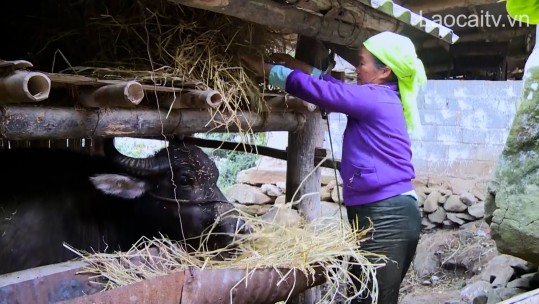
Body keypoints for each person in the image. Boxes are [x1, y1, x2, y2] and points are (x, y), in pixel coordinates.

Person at [239, 31, 424, 304]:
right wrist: (294, 64)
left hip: (388, 216)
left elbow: (325, 92)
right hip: (383, 212)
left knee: (370, 298)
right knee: (365, 294)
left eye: (361, 63)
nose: (356, 70)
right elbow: (329, 83)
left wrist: (269, 71)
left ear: (384, 71)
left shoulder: (375, 97)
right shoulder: (380, 94)